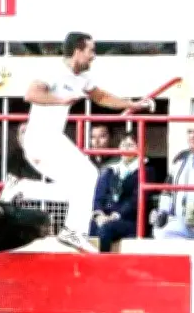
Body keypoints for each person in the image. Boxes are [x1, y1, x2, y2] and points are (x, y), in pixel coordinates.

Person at [17, 32, 154, 253]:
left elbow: (101, 97)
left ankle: (25, 189)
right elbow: (31, 95)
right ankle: (72, 231)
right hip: (40, 139)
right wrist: (61, 100)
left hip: (53, 139)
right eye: (91, 51)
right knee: (90, 177)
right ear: (77, 51)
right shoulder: (51, 71)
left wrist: (132, 104)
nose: (94, 56)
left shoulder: (82, 78)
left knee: (80, 185)